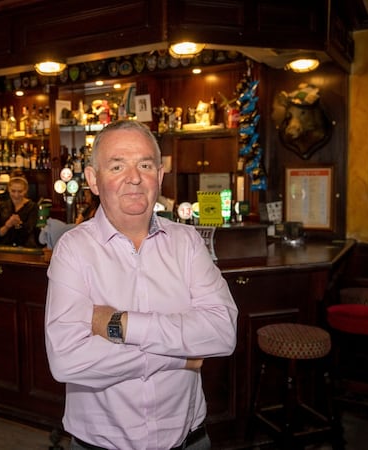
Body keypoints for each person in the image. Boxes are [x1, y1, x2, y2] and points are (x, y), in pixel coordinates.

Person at [44, 120, 238, 450]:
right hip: (100, 444)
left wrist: (119, 324)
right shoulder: (73, 249)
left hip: (188, 440)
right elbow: (66, 359)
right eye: (117, 165)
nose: (134, 177)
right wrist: (179, 357)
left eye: (145, 165)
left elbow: (222, 332)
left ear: (159, 176)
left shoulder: (187, 242)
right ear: (93, 180)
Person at [0, 176, 38, 247]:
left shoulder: (32, 206)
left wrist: (19, 224)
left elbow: (30, 230)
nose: (16, 195)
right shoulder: (3, 206)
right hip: (5, 247)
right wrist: (7, 225)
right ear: (8, 189)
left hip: (26, 248)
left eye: (20, 191)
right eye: (13, 191)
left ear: (25, 190)